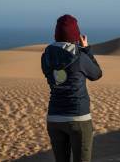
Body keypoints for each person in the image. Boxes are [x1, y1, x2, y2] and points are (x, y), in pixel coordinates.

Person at [41, 14, 102, 162]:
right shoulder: (80, 57)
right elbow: (96, 74)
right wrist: (86, 49)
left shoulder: (46, 56)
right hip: (78, 117)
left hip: (54, 118)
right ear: (76, 35)